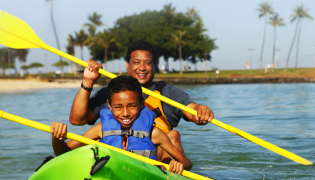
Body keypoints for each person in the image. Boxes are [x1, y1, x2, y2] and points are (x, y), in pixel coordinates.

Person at [69, 40, 214, 164]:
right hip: (118, 156)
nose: (142, 68)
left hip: (157, 160)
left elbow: (192, 111)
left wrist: (200, 112)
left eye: (147, 63)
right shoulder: (113, 92)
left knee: (173, 135)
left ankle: (170, 173)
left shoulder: (168, 92)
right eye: (136, 62)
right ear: (127, 64)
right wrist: (88, 81)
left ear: (154, 65)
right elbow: (77, 120)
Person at [52, 76, 192, 174]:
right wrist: (56, 138)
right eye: (118, 107)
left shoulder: (154, 133)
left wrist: (178, 165)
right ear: (110, 106)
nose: (125, 113)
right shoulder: (100, 129)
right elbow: (62, 152)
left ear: (141, 104)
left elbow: (185, 160)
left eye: (131, 106)